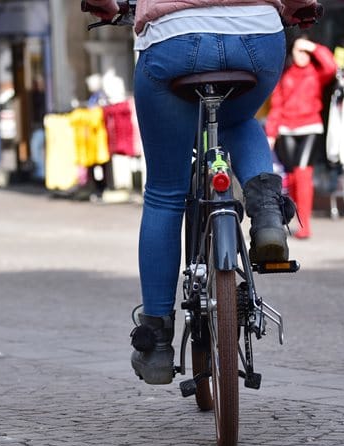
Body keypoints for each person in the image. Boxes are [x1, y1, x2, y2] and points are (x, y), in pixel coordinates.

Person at [86, 0, 317, 385]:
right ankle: (267, 215)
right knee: (240, 120)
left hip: (173, 42)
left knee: (165, 191)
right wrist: (297, 7)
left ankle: (156, 341)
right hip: (257, 38)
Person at [266, 35, 337, 239]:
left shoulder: (316, 73)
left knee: (304, 172)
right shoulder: (284, 74)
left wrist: (313, 46)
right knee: (294, 176)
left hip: (310, 127)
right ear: (292, 53)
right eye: (299, 50)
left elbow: (331, 67)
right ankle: (298, 217)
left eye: (306, 52)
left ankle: (305, 225)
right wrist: (271, 132)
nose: (303, 55)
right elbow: (276, 105)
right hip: (287, 128)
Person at [29, 77, 47, 182]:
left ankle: (41, 173)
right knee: (37, 151)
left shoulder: (42, 97)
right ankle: (40, 173)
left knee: (36, 151)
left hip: (40, 127)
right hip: (38, 126)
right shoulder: (35, 96)